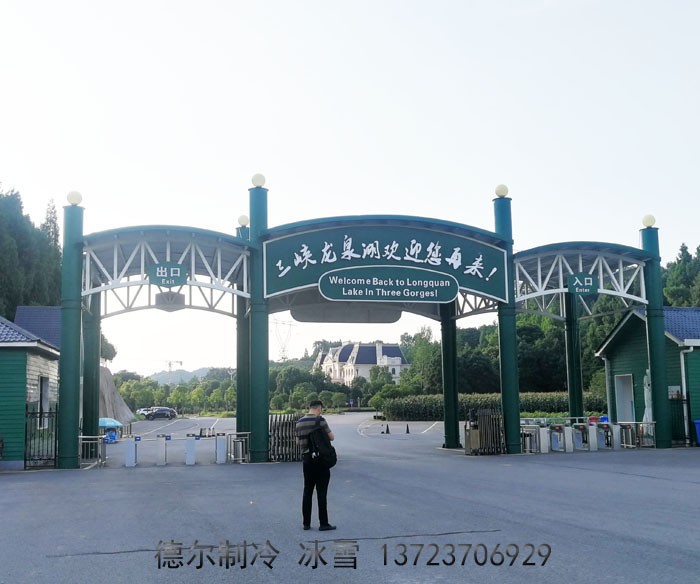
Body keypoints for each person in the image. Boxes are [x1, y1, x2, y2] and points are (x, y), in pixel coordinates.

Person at [295, 400, 336, 531]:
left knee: (307, 490)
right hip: (321, 461)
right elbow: (331, 437)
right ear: (319, 409)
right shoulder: (320, 421)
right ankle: (323, 523)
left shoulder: (299, 422)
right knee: (321, 492)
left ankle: (306, 523)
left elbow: (298, 442)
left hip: (307, 460)